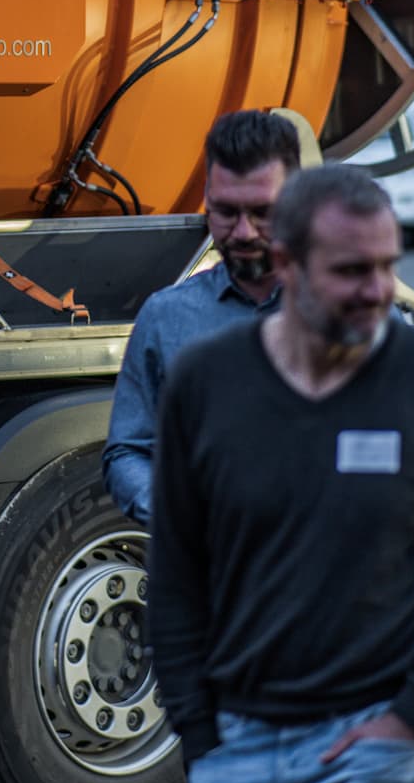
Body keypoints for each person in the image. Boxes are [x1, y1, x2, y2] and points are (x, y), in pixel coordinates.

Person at [147, 163, 414, 783]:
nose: (378, 291)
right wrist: (200, 733)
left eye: (387, 265)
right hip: (237, 749)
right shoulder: (208, 382)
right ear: (286, 262)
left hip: (376, 746)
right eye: (352, 270)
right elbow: (175, 574)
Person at [101, 110, 302, 526]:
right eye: (226, 212)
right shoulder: (167, 318)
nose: (243, 232)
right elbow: (128, 451)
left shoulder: (356, 315)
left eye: (262, 212)